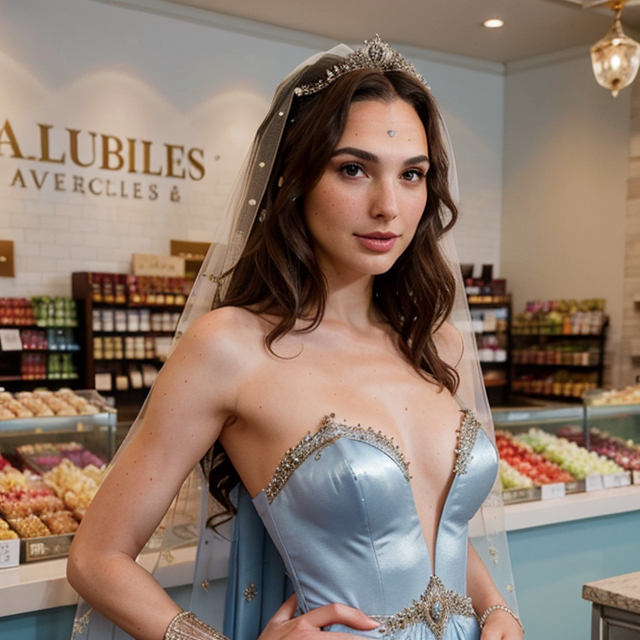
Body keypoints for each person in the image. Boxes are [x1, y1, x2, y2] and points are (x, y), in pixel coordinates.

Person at [67, 36, 524, 640]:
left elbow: (436, 529)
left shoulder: (434, 341)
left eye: (412, 175)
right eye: (354, 169)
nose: (389, 206)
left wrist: (496, 609)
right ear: (292, 177)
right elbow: (96, 559)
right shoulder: (230, 347)